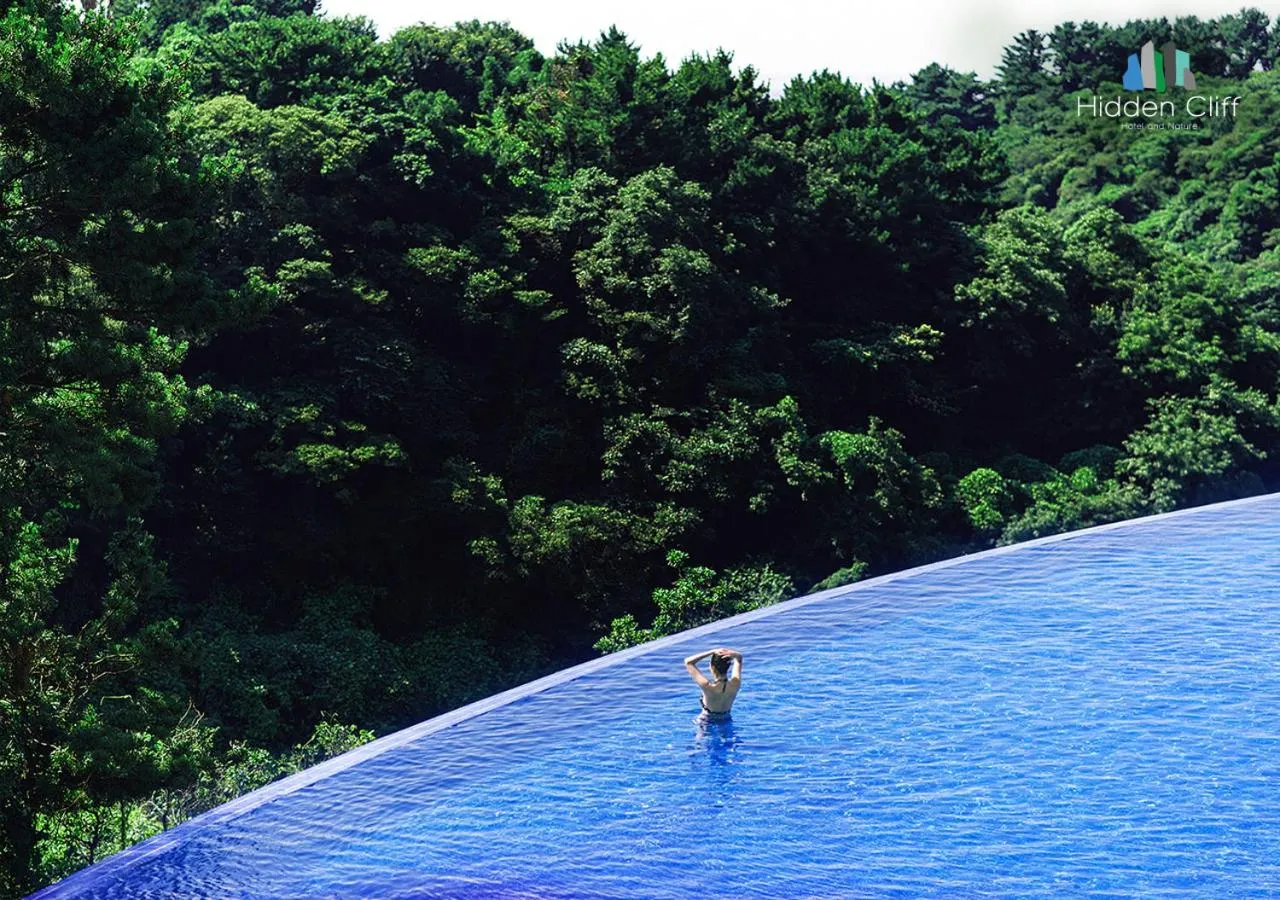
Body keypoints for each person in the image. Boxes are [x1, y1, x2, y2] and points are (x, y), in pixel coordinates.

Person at [684, 647, 743, 718]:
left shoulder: (707, 686)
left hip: (707, 720)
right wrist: (735, 655)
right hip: (726, 719)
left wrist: (712, 651)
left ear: (712, 667)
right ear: (727, 667)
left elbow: (688, 662)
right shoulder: (736, 683)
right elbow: (739, 659)